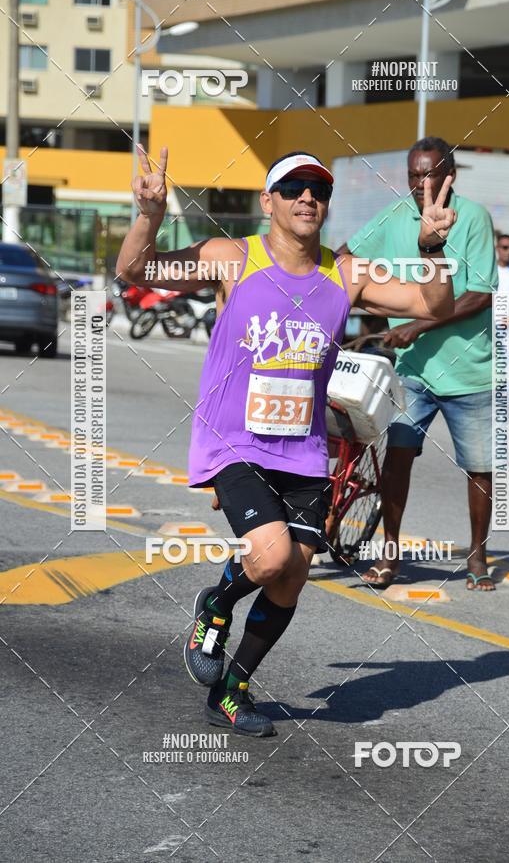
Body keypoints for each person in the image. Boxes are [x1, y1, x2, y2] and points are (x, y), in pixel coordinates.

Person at [116, 145, 457, 737]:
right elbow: (135, 273)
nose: (307, 197)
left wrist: (432, 249)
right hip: (235, 441)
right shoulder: (231, 257)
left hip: (303, 449)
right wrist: (149, 213)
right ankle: (216, 606)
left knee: (293, 574)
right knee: (270, 557)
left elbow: (433, 302)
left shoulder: (344, 272)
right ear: (267, 201)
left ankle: (232, 688)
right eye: (294, 187)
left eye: (318, 190)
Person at [338, 136, 498, 592]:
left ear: (450, 174)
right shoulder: (393, 217)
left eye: (428, 173)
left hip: (470, 371)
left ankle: (477, 555)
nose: (419, 182)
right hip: (413, 371)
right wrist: (371, 301)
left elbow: (479, 294)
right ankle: (390, 555)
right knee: (397, 461)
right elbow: (346, 256)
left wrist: (416, 325)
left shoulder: (473, 217)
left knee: (480, 468)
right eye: (413, 174)